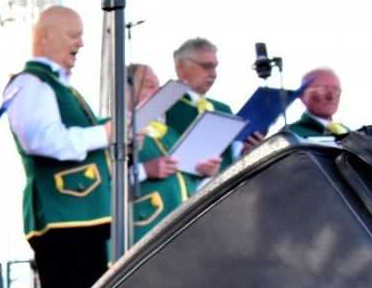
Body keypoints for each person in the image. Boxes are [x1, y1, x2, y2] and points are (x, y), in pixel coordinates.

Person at [3, 6, 112, 288]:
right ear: (45, 35)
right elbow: (43, 141)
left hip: (84, 215)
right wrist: (101, 134)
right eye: (73, 34)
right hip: (61, 217)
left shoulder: (60, 86)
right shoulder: (29, 84)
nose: (80, 43)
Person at [166, 37, 263, 190]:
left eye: (215, 67)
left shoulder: (223, 109)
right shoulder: (167, 106)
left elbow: (231, 160)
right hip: (182, 193)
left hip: (224, 191)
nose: (213, 73)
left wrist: (246, 152)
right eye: (206, 66)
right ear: (181, 67)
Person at [127, 62, 189, 240]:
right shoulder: (113, 129)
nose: (158, 90)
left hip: (182, 230)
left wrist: (205, 173)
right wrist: (145, 170)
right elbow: (108, 183)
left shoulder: (170, 133)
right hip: (144, 231)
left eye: (158, 85)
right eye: (148, 85)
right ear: (126, 90)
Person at [287, 68, 348, 138]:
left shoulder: (350, 132)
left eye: (336, 89)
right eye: (322, 89)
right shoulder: (291, 135)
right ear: (303, 96)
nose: (331, 96)